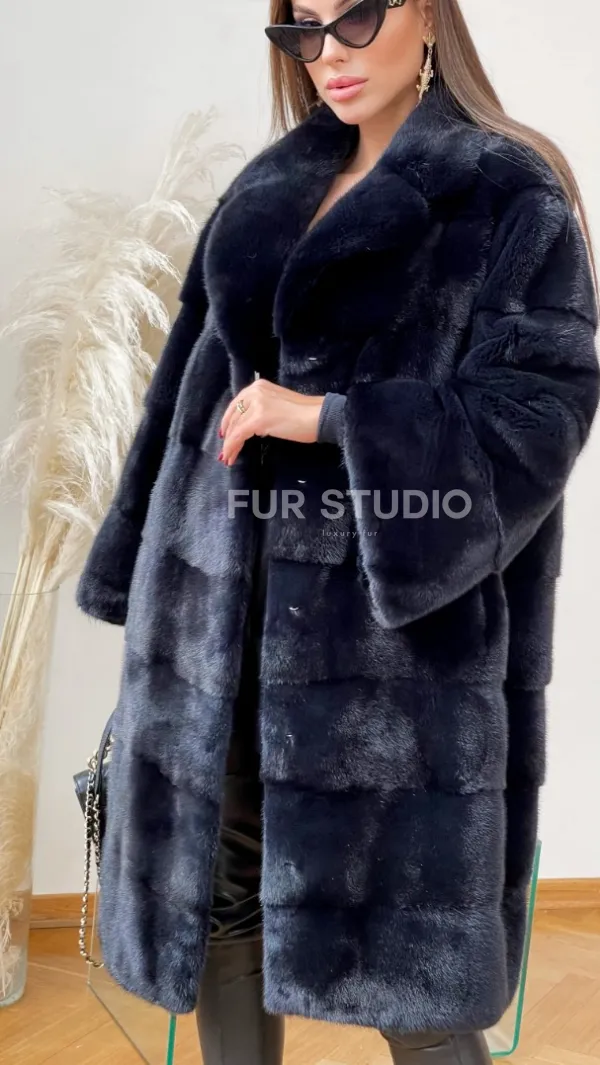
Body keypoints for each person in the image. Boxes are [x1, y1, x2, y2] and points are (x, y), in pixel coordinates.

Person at [76, 1, 600, 1063]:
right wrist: (136, 581)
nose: (328, 55)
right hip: (214, 626)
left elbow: (537, 417)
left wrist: (329, 419)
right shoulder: (267, 189)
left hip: (390, 655)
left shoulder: (507, 191)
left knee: (414, 966)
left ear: (426, 12)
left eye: (354, 16)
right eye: (301, 30)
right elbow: (181, 399)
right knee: (222, 907)